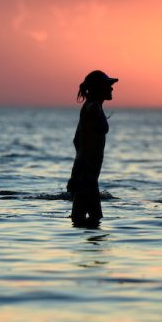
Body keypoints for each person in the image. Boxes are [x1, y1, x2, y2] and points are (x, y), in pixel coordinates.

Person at [67, 70, 117, 227]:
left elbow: (77, 140)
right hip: (87, 175)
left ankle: (87, 249)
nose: (112, 88)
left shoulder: (92, 106)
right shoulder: (93, 107)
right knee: (87, 219)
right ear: (98, 88)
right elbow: (80, 142)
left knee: (88, 219)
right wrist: (83, 169)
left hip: (87, 174)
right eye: (108, 85)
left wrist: (79, 168)